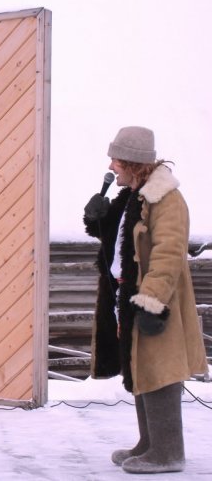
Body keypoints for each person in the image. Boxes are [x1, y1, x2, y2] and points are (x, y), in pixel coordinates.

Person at [83, 126, 207, 474]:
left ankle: (168, 452)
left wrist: (151, 301)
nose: (111, 166)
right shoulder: (132, 196)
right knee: (140, 366)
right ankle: (150, 444)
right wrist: (98, 219)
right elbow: (121, 242)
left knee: (160, 370)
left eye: (116, 160)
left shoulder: (166, 199)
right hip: (126, 295)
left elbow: (168, 253)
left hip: (154, 298)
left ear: (132, 162)